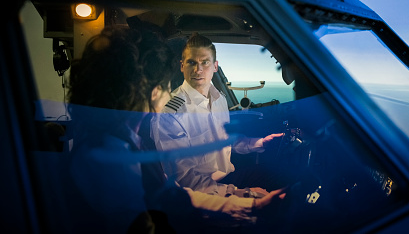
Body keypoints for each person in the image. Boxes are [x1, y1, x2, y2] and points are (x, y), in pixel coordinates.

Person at [67, 27, 285, 233]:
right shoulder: (111, 159)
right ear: (154, 92)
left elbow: (173, 197)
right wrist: (247, 203)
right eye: (167, 83)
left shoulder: (122, 143)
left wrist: (249, 203)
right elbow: (160, 212)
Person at [153, 33, 284, 197]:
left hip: (226, 179)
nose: (198, 70)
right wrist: (243, 194)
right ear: (182, 66)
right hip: (200, 194)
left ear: (215, 66)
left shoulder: (219, 99)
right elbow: (185, 180)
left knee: (278, 175)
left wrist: (258, 143)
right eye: (192, 62)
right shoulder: (171, 114)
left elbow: (224, 140)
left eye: (205, 62)